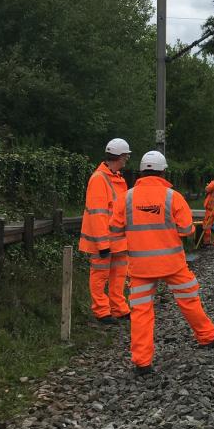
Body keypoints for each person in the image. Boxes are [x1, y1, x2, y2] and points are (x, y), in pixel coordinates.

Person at [109, 151, 214, 376]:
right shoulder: (173, 197)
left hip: (140, 267)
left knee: (141, 312)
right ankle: (207, 338)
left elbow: (115, 229)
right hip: (173, 265)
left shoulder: (126, 198)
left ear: (141, 171)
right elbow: (187, 230)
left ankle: (142, 362)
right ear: (163, 171)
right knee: (189, 301)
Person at [78, 138, 131, 324]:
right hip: (105, 241)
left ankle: (119, 308)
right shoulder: (99, 179)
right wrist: (102, 245)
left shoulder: (116, 179)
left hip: (118, 240)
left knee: (119, 275)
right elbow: (97, 214)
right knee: (100, 275)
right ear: (121, 157)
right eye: (126, 157)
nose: (127, 161)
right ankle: (102, 312)